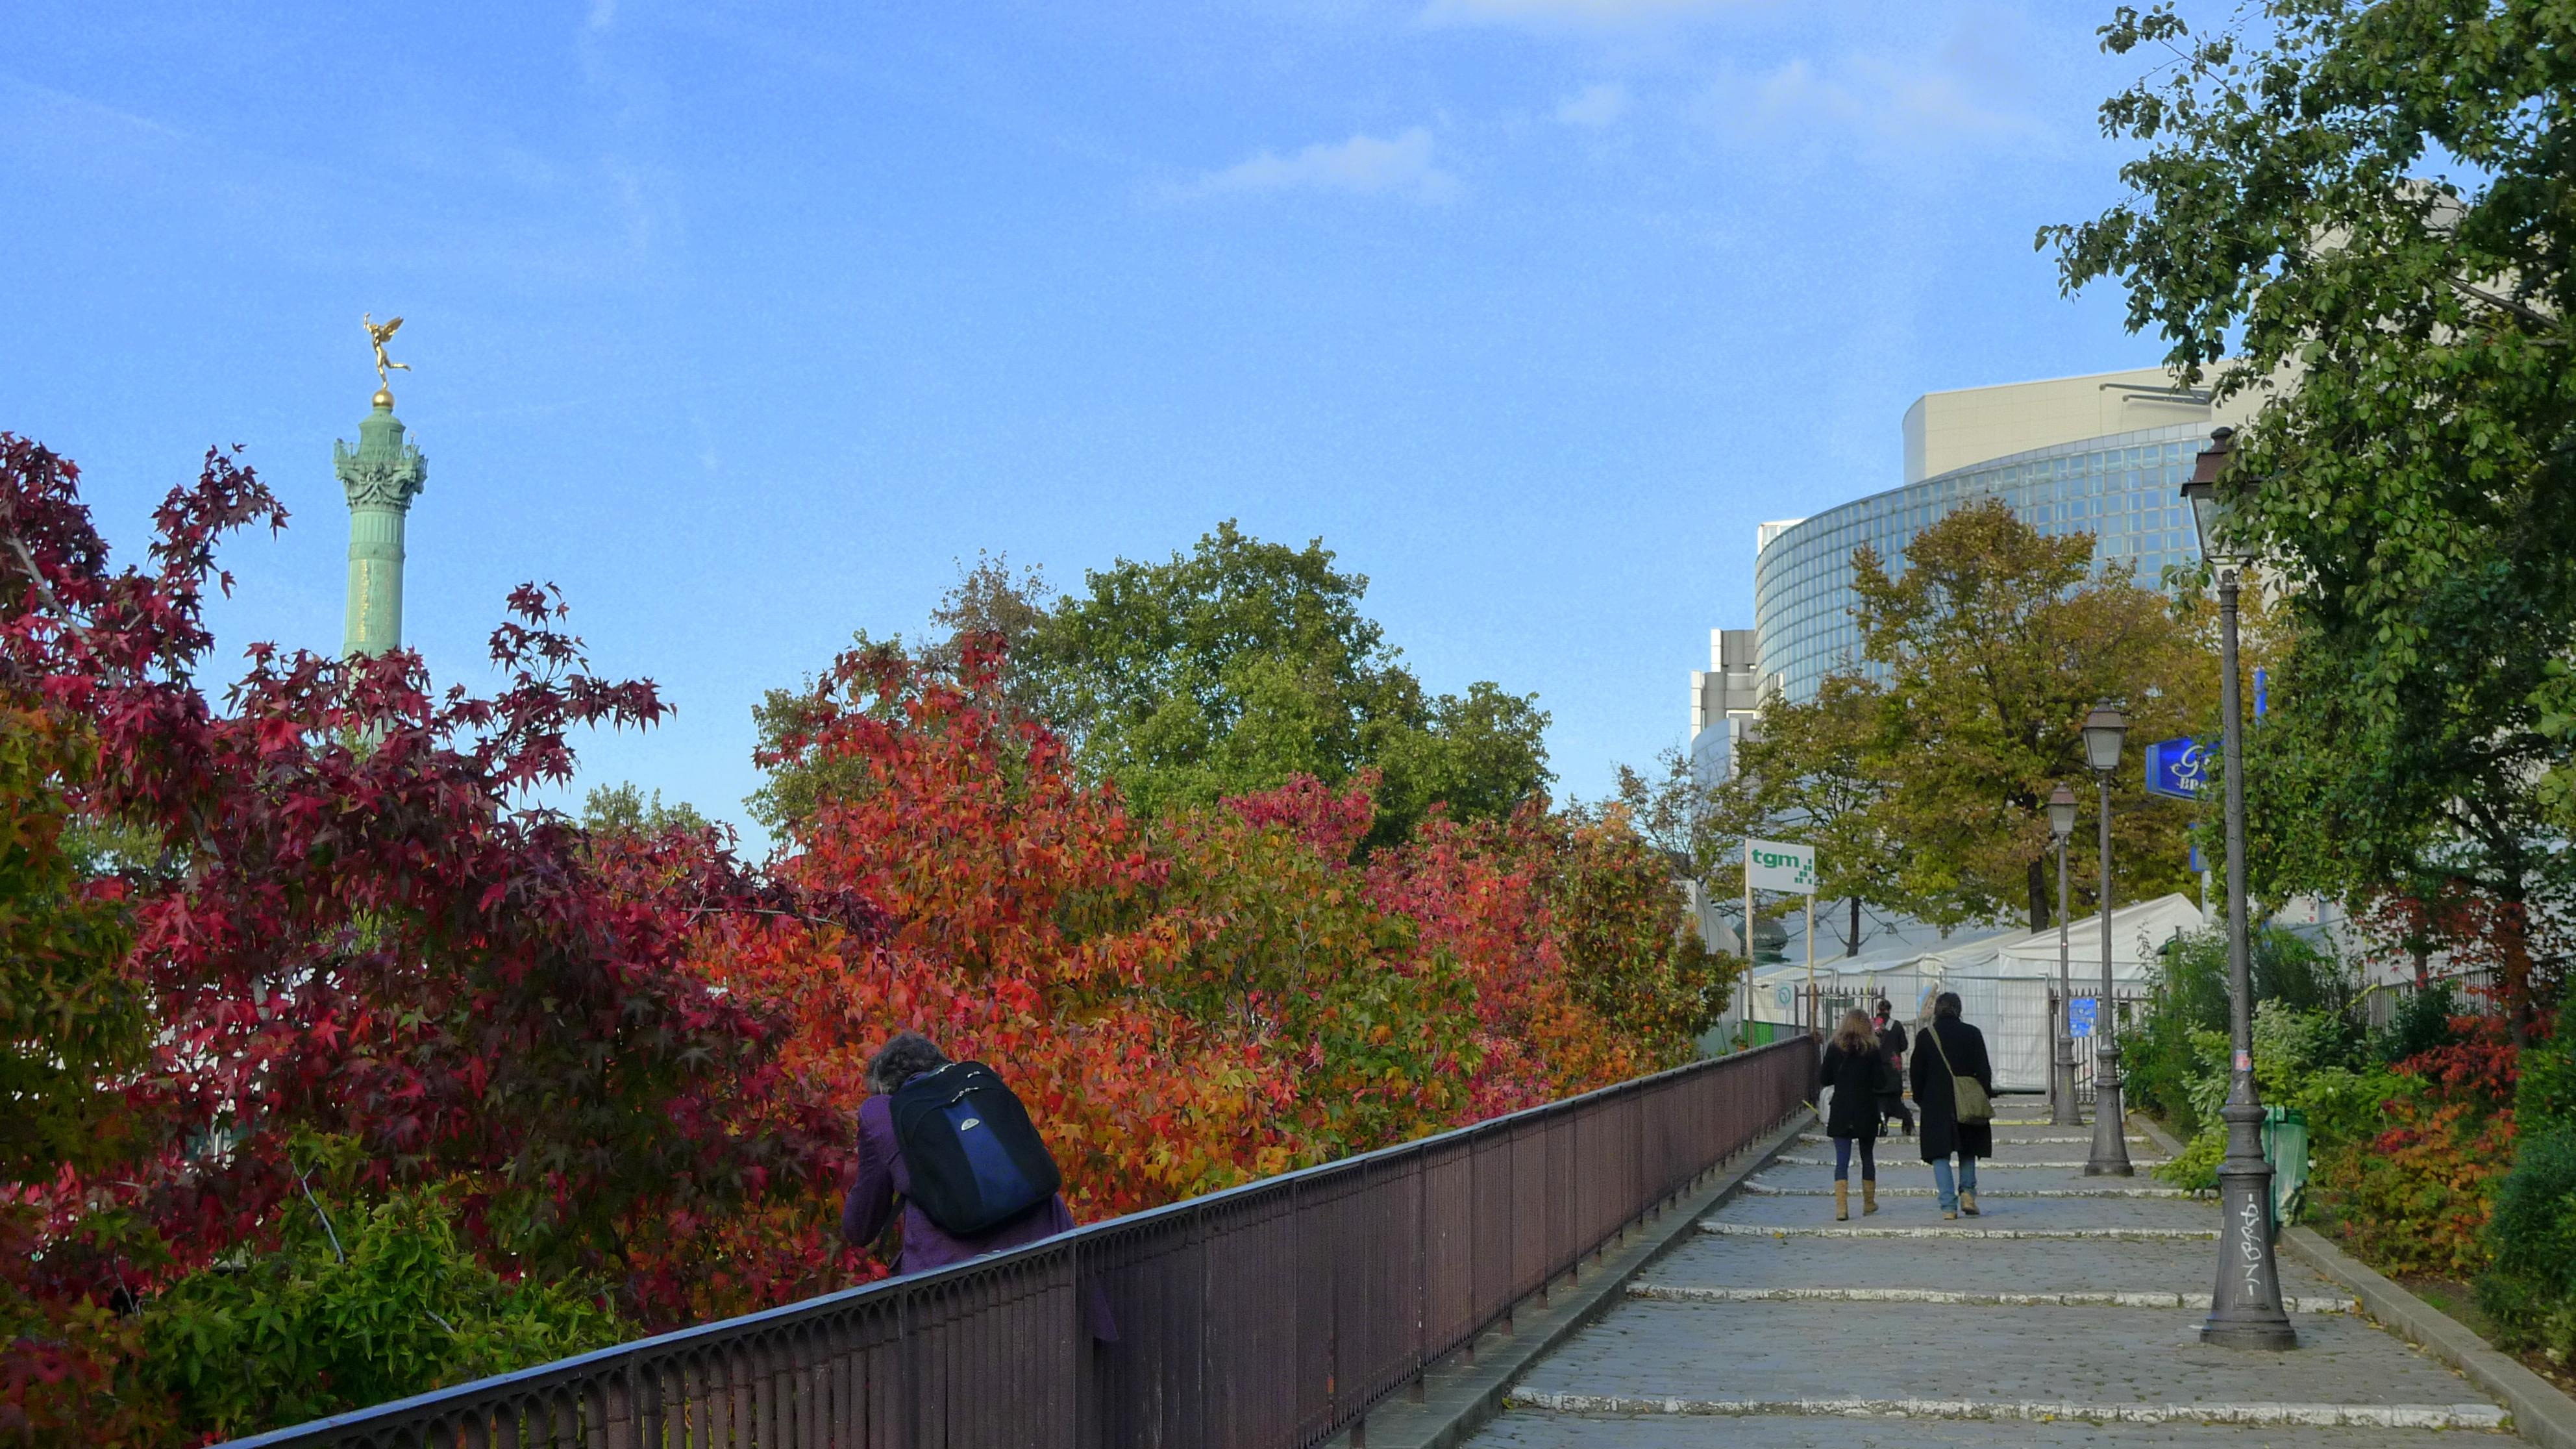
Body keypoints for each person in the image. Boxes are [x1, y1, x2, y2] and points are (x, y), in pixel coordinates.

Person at [843, 1031, 1083, 1272]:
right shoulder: (979, 1081)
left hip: (957, 1288)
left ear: (885, 1089)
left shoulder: (882, 1112)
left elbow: (859, 1228)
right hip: (1057, 1258)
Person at [1911, 991, 1994, 1219]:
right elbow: (1984, 1071)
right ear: (1959, 1010)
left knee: (1940, 1155)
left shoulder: (1926, 1036)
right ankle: (1968, 1194)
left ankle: (1948, 1206)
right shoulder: (1972, 1033)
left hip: (1936, 1104)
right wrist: (1982, 1095)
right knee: (1968, 1150)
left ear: (1937, 1010)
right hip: (1967, 1101)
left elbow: (1916, 1073)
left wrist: (1921, 1099)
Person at [1819, 1009, 1896, 1220]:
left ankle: (1842, 1208)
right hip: (1866, 1109)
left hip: (1842, 1109)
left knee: (1841, 1160)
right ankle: (1869, 1203)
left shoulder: (1834, 1048)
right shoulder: (1871, 1050)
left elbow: (1824, 1078)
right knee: (1867, 1157)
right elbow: (1881, 1083)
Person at [1872, 998, 1914, 1137]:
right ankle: (1906, 1118)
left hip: (1875, 1068)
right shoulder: (1896, 1025)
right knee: (1895, 1099)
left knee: (1878, 1099)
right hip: (1893, 1068)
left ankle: (1882, 1121)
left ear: (1878, 1010)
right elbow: (1904, 1046)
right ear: (1889, 1010)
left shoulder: (1872, 1026)